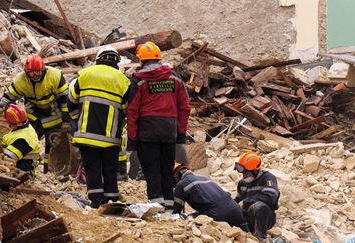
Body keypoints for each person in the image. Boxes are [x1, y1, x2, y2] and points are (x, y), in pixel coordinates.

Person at [127, 41, 190, 210]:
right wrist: (181, 133)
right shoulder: (175, 78)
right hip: (169, 130)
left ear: (142, 61)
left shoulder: (139, 81)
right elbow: (184, 107)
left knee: (151, 169)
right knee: (167, 168)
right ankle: (169, 205)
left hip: (147, 131)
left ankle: (156, 204)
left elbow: (132, 111)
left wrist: (132, 139)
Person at [67, 46, 130, 208]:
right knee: (110, 168)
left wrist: (77, 120)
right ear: (116, 61)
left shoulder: (84, 74)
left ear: (98, 58)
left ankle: (96, 201)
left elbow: (71, 100)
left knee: (92, 167)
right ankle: (112, 200)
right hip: (110, 137)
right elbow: (127, 107)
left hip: (86, 135)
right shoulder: (123, 80)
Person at [0, 54, 69, 173]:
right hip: (33, 114)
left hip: (53, 115)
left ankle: (49, 172)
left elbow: (65, 100)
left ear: (43, 70)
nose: (34, 75)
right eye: (31, 73)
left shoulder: (55, 76)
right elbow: (10, 95)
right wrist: (1, 106)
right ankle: (22, 169)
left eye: (37, 72)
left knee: (53, 145)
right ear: (26, 72)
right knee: (26, 141)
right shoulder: (21, 80)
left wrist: (66, 120)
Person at [172, 163, 249, 231]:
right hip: (235, 210)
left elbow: (176, 213)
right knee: (248, 238)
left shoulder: (181, 184)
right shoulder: (204, 178)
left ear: (176, 177)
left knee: (192, 220)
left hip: (218, 215)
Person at [234, 152, 280, 241]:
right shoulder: (242, 183)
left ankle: (260, 238)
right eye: (242, 172)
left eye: (246, 172)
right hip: (247, 217)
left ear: (254, 170)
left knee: (259, 206)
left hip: (265, 217)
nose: (243, 175)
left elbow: (270, 198)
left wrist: (246, 202)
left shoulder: (268, 178)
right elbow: (238, 200)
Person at [1, 104, 40, 176]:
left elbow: (6, 158)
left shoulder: (23, 140)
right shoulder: (24, 126)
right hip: (21, 168)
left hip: (23, 174)